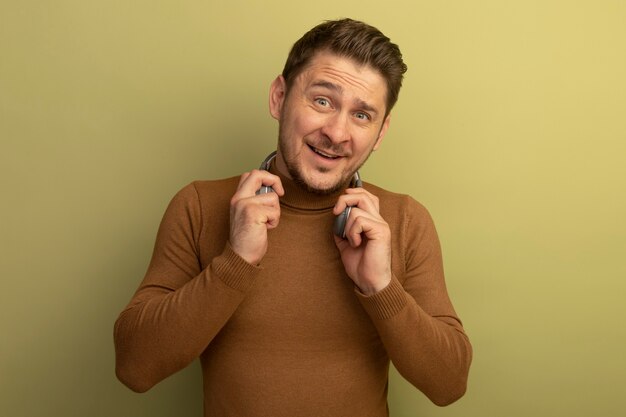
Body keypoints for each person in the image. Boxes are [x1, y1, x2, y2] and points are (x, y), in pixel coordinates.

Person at [114, 18, 472, 416]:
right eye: (322, 101)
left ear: (381, 132)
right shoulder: (200, 206)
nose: (337, 133)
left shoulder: (404, 221)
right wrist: (235, 263)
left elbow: (449, 384)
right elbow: (134, 367)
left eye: (362, 115)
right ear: (279, 97)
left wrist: (381, 287)